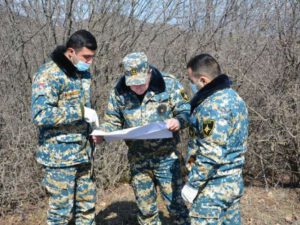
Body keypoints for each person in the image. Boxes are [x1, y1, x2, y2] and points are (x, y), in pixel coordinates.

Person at [99, 52, 190, 225]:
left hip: (167, 159)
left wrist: (178, 121)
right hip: (138, 160)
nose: (138, 87)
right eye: (133, 84)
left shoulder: (168, 83)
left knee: (177, 208)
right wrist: (103, 134)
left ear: (149, 72)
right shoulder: (119, 92)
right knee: (146, 211)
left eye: (141, 83)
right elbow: (112, 121)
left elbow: (186, 110)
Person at [31, 30, 99, 225]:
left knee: (87, 209)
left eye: (92, 57)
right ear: (71, 51)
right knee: (60, 214)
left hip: (84, 153)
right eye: (86, 56)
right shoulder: (48, 74)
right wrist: (80, 112)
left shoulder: (83, 74)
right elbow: (40, 115)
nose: (90, 61)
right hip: (59, 158)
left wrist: (92, 129)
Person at [181, 54, 248, 225]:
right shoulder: (234, 97)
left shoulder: (212, 106)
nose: (191, 85)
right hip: (232, 183)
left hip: (212, 188)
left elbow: (211, 152)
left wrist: (193, 184)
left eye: (191, 80)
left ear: (203, 80)